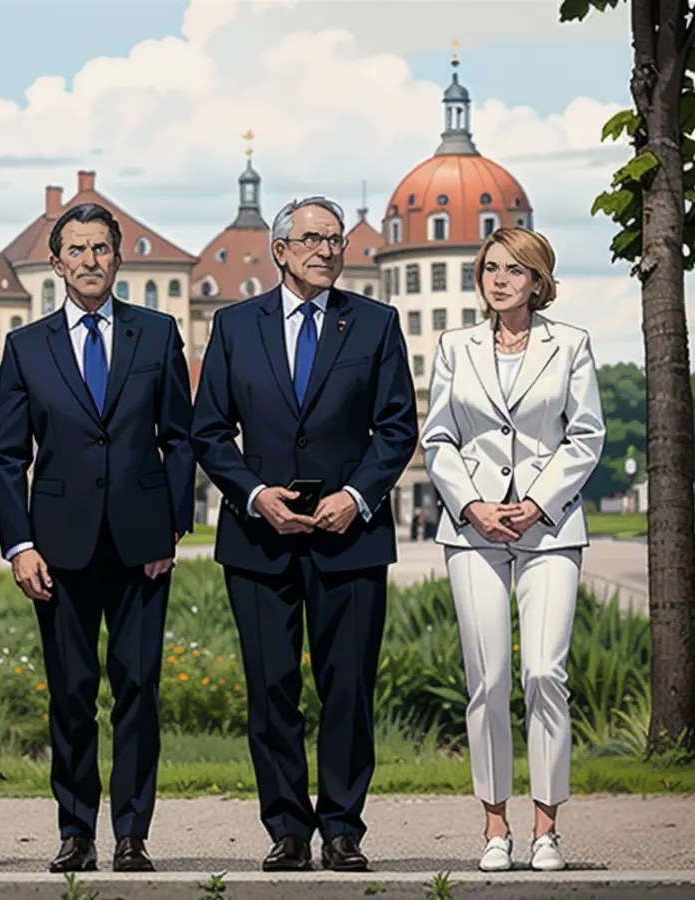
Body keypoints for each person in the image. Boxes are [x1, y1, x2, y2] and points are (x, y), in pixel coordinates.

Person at [190, 196, 417, 873]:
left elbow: (397, 426)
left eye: (335, 239)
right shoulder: (234, 327)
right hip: (260, 541)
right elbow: (208, 432)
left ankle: (343, 829)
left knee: (348, 688)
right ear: (280, 251)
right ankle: (287, 828)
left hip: (350, 538)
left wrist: (356, 496)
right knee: (271, 688)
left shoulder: (375, 325)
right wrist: (257, 497)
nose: (326, 250)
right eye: (312, 239)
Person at [0, 203, 195, 873]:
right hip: (58, 547)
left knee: (138, 689)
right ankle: (75, 831)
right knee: (71, 693)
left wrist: (172, 523)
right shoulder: (26, 345)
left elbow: (180, 439)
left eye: (101, 248)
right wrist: (18, 545)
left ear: (117, 257)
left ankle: (132, 834)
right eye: (76, 250)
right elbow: (6, 455)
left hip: (143, 544)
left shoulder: (158, 335)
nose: (89, 260)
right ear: (56, 264)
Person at [421, 227, 605, 873]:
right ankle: (496, 826)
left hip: (550, 528)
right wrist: (471, 504)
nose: (500, 279)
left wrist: (537, 502)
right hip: (472, 532)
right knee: (490, 678)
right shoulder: (455, 346)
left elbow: (585, 436)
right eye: (491, 268)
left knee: (544, 674)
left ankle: (546, 829)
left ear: (538, 281)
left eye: (515, 270)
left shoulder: (571, 345)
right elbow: (438, 438)